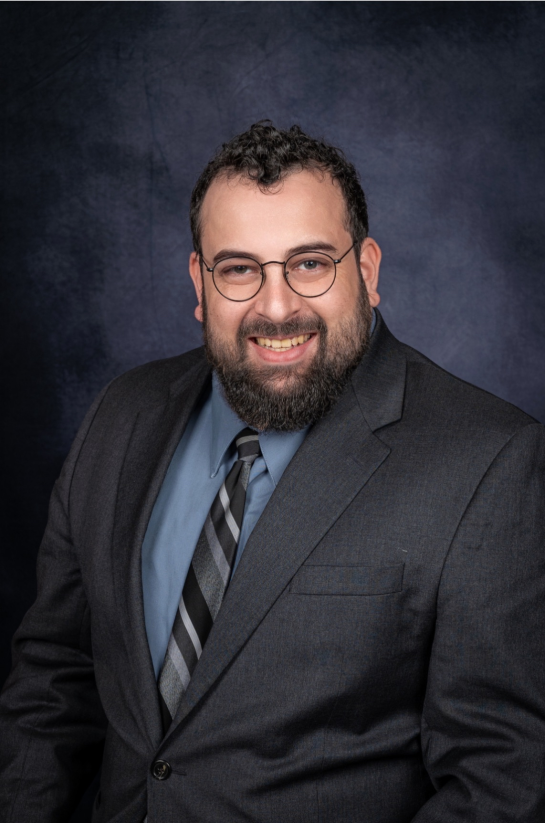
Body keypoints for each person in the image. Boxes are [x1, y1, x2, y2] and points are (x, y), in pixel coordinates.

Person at [1, 122, 544, 823]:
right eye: (239, 269)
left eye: (309, 263)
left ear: (367, 270)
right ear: (200, 283)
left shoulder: (488, 460)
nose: (277, 306)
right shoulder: (122, 413)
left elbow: (501, 779)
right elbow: (54, 680)